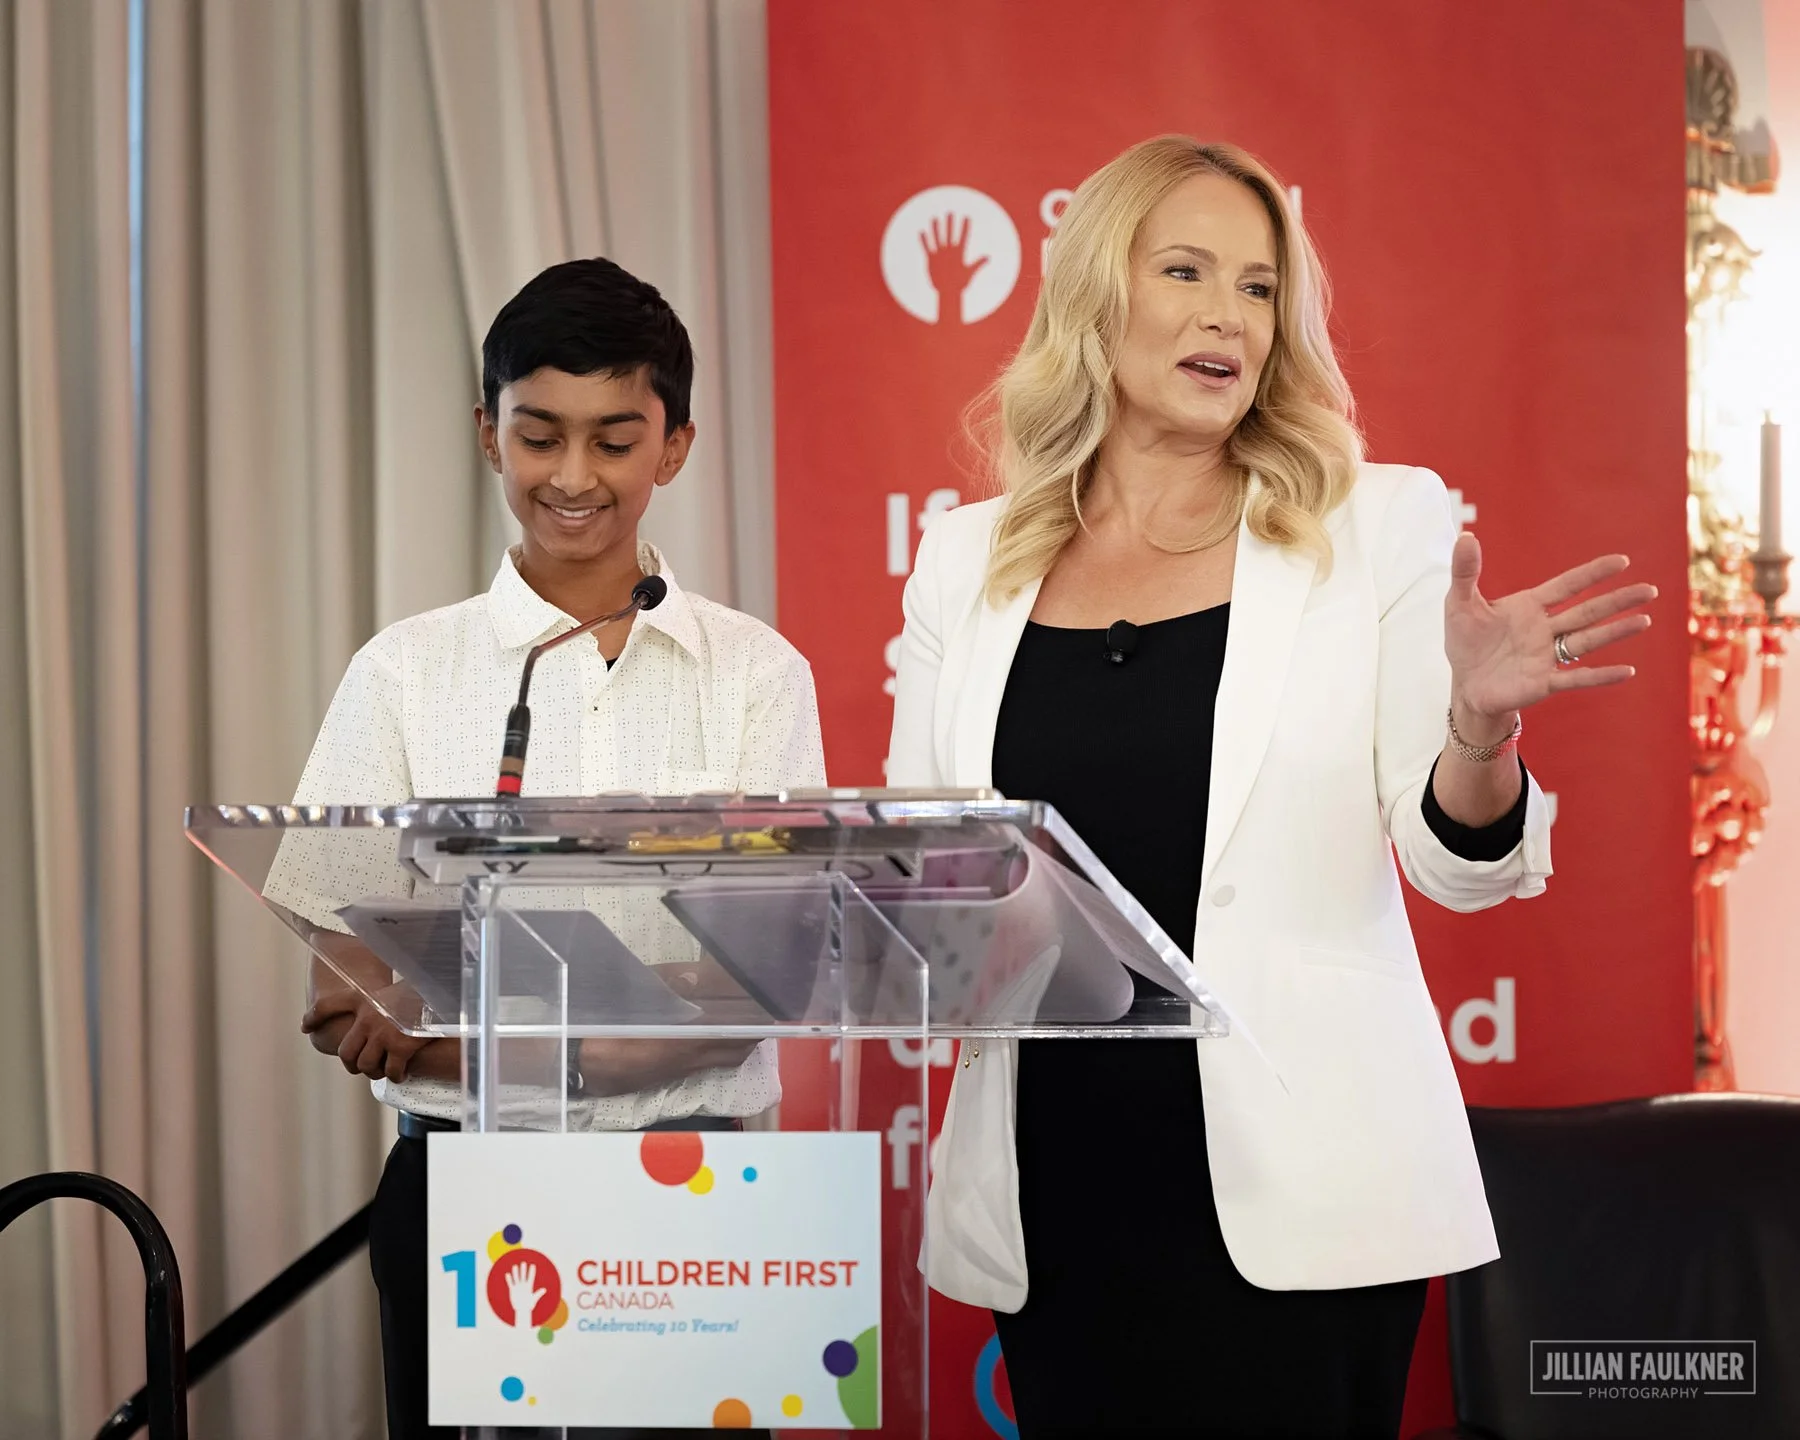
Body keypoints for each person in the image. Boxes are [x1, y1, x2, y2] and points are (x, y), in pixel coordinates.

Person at [887, 137, 1653, 1438]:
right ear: (1094, 295)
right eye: (1183, 269)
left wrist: (1477, 724)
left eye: (1256, 286)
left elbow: (1458, 866)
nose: (1226, 314)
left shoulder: (1379, 526)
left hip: (1303, 1193)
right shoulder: (968, 560)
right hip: (1056, 1189)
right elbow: (927, 865)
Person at [289, 258, 824, 1438]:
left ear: (673, 446)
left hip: (695, 1187)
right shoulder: (404, 672)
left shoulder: (756, 674)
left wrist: (461, 1027)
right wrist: (620, 1027)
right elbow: (341, 994)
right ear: (491, 435)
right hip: (458, 1193)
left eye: (614, 440)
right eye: (540, 437)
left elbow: (760, 982)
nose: (573, 478)